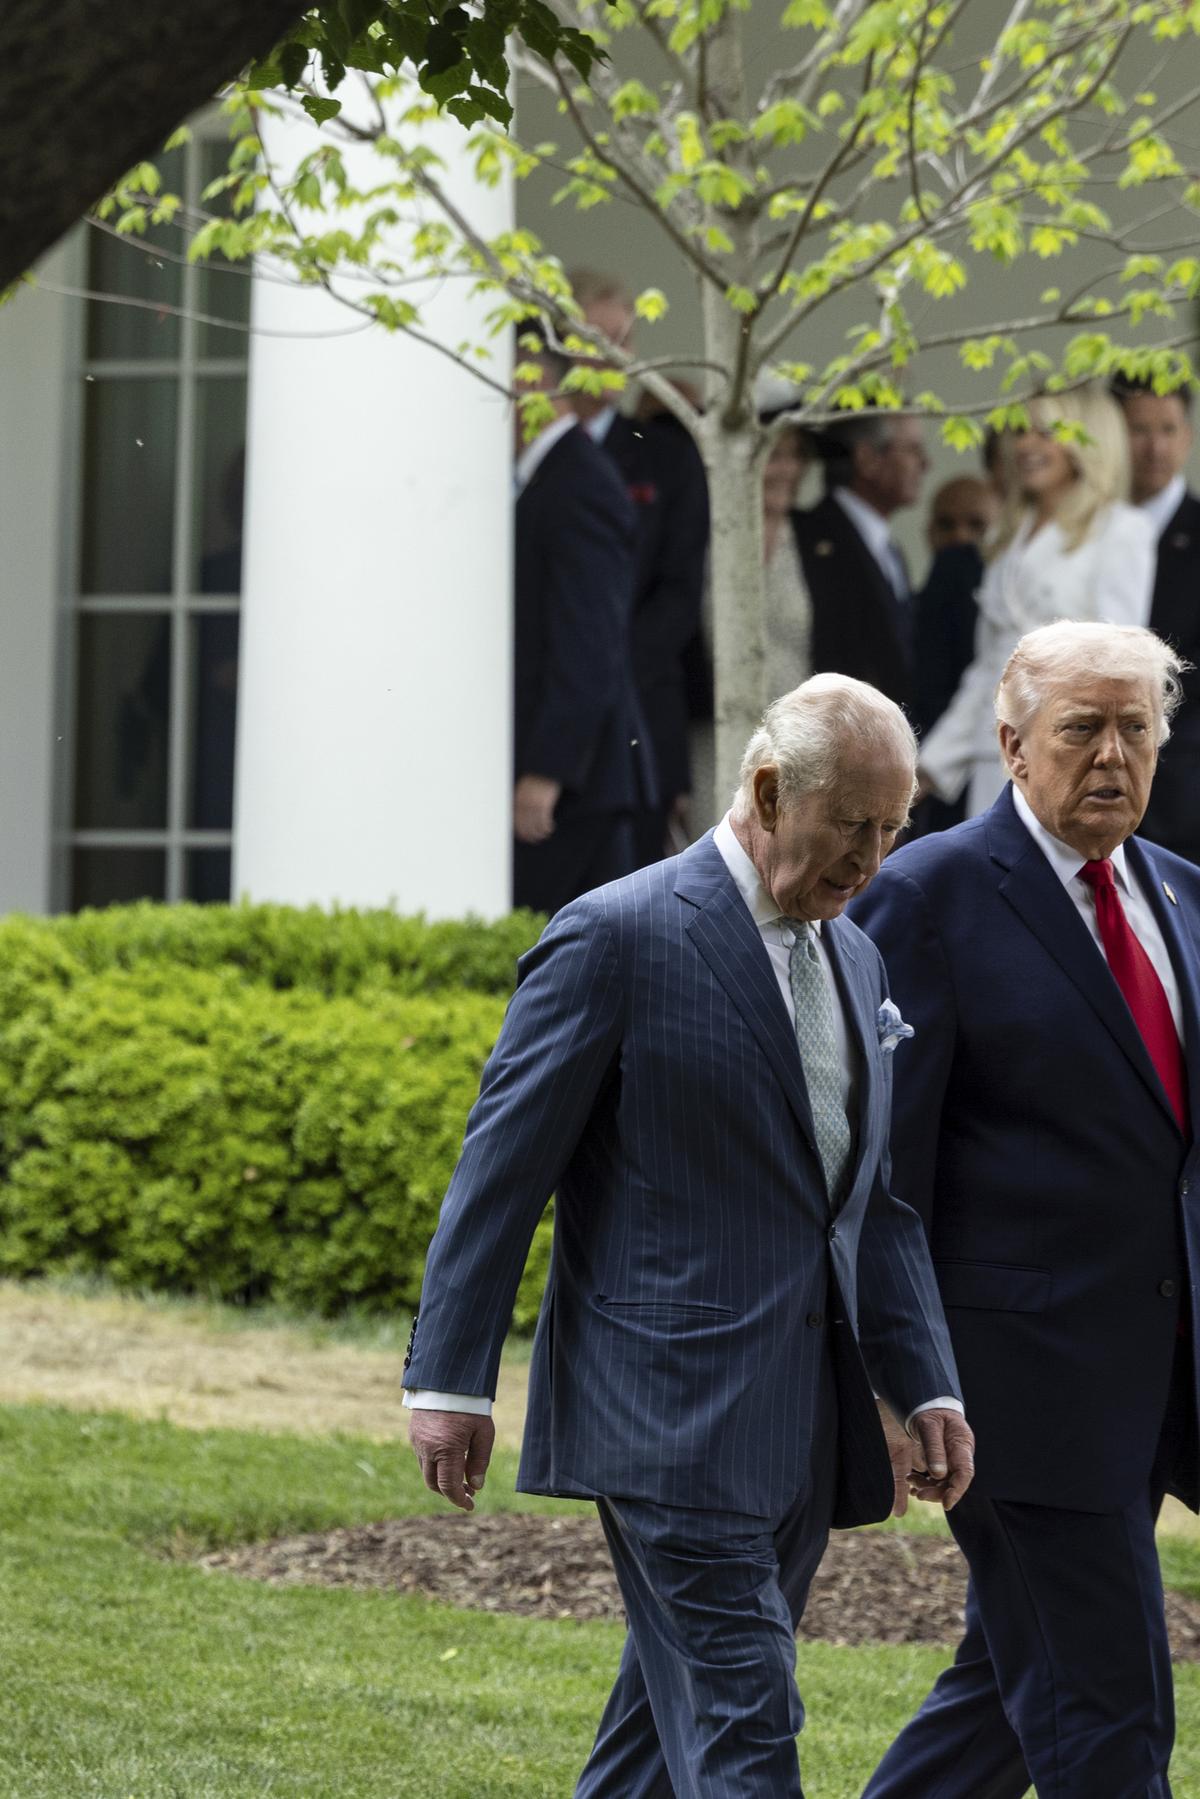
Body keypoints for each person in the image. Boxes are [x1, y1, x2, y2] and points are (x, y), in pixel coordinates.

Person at [404, 674, 974, 1798]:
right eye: (852, 824)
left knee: (658, 1748)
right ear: (767, 789)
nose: (872, 856)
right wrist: (450, 1381)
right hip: (662, 1413)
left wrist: (926, 1382)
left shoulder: (856, 957)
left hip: (799, 1427)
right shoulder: (616, 935)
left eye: (894, 827)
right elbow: (500, 1171)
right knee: (745, 1711)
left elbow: (872, 1200)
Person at [852, 620, 1200, 1799]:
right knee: (1110, 1710)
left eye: (1136, 728)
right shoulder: (927, 895)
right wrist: (901, 1377)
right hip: (1016, 1387)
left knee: (1004, 1697)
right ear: (1011, 744)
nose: (1113, 755)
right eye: (1082, 728)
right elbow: (882, 1170)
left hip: (1161, 1372)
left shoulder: (1182, 893)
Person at [918, 383, 1155, 816]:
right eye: (1021, 432)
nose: (1026, 444)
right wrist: (929, 767)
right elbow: (989, 668)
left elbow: (1122, 663)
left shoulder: (1120, 530)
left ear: (1088, 440)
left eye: (1046, 432)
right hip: (996, 753)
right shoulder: (1007, 540)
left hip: (1072, 761)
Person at [568, 270, 710, 865]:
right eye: (594, 338)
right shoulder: (521, 448)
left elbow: (679, 595)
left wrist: (603, 673)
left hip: (640, 719)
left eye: (622, 342)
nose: (610, 356)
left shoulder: (666, 456)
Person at [512, 326, 650, 914]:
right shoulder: (558, 476)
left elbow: (588, 643)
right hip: (575, 784)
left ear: (535, 384)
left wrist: (547, 769)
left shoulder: (576, 482)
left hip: (573, 791)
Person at [792, 413, 929, 710]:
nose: (926, 464)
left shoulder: (890, 548)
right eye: (911, 450)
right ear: (867, 459)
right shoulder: (811, 536)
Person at [1116, 378, 1200, 863]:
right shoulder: (1092, 529)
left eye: (1168, 429)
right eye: (1139, 430)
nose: (1155, 447)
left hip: (1186, 788)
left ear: (1187, 436)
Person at [910, 476, 1000, 835]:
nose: (960, 538)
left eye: (976, 525)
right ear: (928, 531)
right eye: (946, 524)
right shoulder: (920, 592)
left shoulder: (1006, 587)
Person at [763, 421, 815, 696]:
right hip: (713, 730)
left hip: (802, 730)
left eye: (796, 456)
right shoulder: (702, 540)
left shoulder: (818, 540)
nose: (789, 470)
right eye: (774, 456)